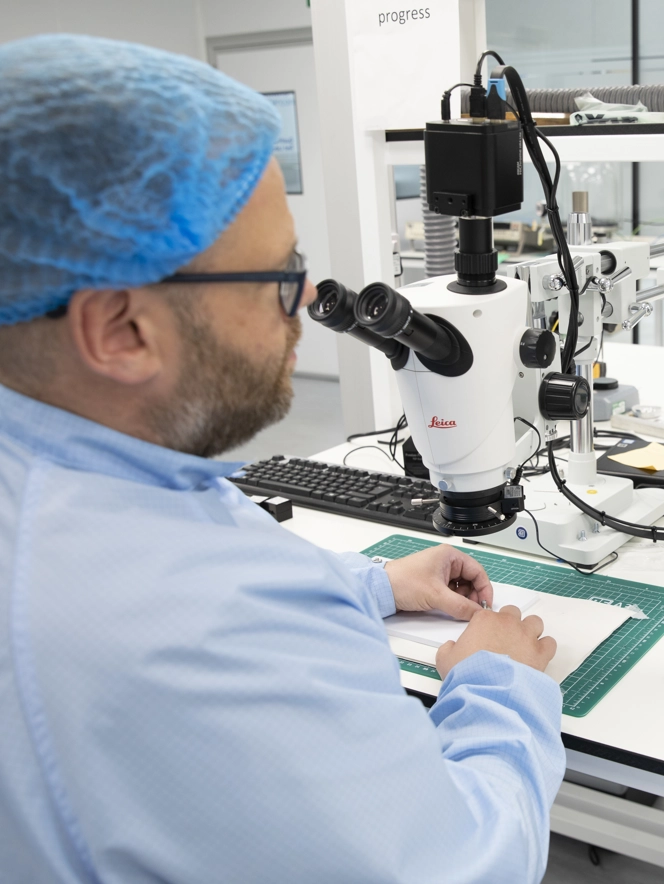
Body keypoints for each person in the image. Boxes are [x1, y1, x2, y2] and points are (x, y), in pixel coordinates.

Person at [0, 34, 565, 884]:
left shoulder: (73, 473)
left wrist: (370, 584)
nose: (305, 301)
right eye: (277, 276)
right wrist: (498, 687)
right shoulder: (204, 630)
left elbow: (180, 523)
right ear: (120, 331)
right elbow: (460, 868)